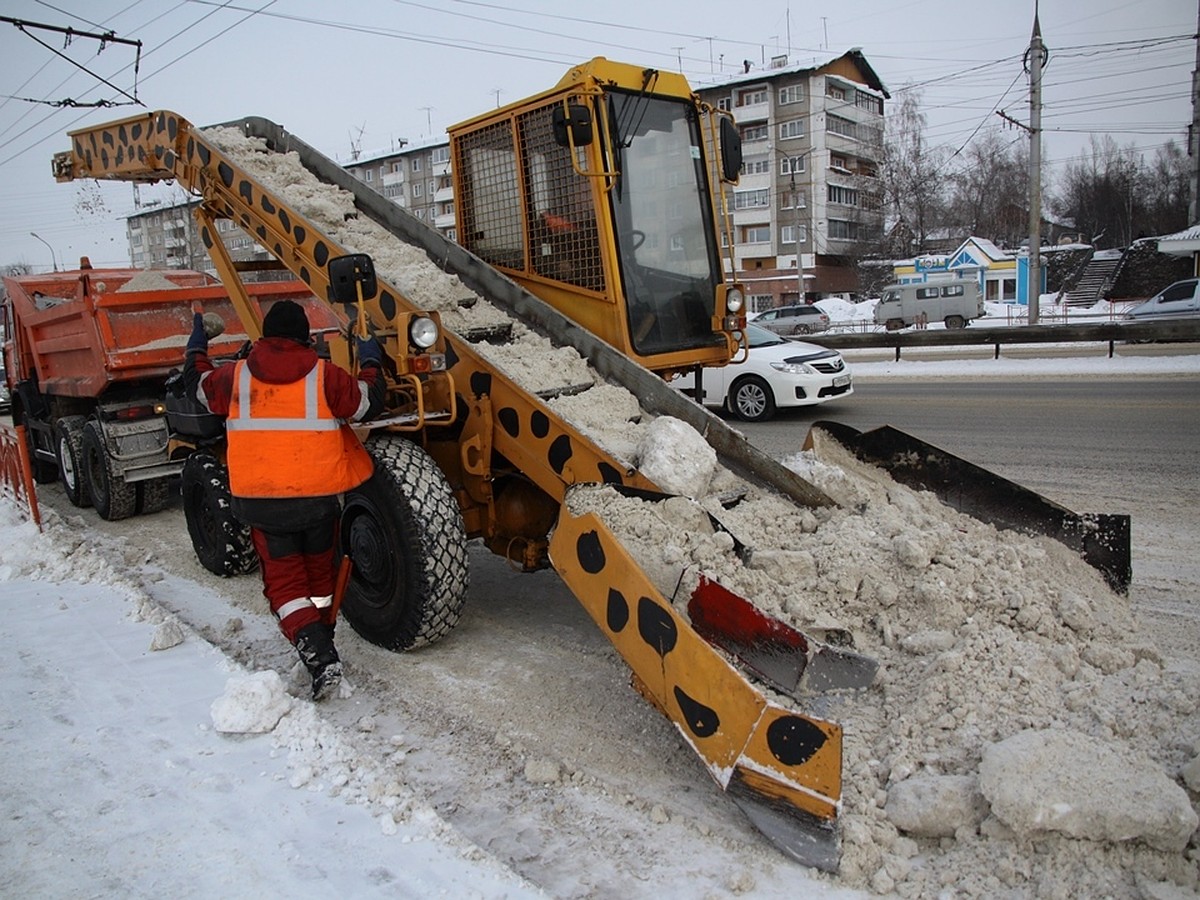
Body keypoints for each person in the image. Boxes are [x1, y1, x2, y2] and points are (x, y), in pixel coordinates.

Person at [184, 300, 384, 700]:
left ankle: (319, 654)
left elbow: (197, 388)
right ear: (305, 338)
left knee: (286, 586)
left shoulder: (236, 377)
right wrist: (370, 359)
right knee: (319, 581)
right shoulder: (325, 377)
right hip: (317, 502)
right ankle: (319, 638)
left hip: (263, 505)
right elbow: (367, 402)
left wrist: (196, 346)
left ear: (264, 338)